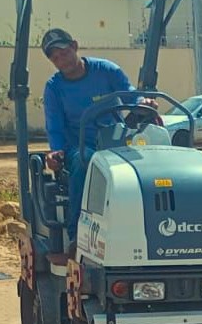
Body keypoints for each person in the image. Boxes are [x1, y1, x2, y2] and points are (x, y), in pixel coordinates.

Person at [40, 28, 149, 240]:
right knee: (85, 162)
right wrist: (56, 152)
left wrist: (142, 103)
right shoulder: (54, 88)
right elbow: (54, 126)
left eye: (64, 52)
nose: (62, 60)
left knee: (145, 162)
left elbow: (130, 94)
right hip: (80, 146)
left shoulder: (106, 70)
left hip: (116, 141)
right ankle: (77, 235)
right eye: (56, 58)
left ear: (74, 46)